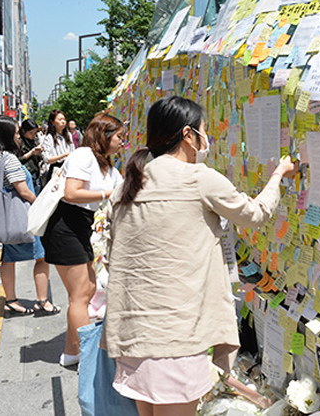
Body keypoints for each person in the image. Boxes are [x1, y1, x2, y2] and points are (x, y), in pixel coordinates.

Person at [104, 96, 299, 416]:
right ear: (188, 135)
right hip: (177, 332)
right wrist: (279, 174)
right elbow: (255, 213)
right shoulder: (199, 178)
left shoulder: (130, 183)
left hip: (134, 330)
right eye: (204, 131)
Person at [42, 113, 124, 367]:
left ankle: (72, 352)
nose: (123, 141)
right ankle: (87, 359)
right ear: (104, 135)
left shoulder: (108, 166)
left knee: (86, 291)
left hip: (83, 228)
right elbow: (71, 192)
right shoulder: (83, 155)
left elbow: (125, 189)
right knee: (81, 295)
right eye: (119, 136)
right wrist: (108, 192)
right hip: (65, 226)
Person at [0, 117, 60, 316]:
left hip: (6, 218)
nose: (18, 136)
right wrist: (42, 205)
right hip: (21, 216)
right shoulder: (8, 158)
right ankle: (42, 301)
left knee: (8, 259)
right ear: (6, 135)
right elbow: (24, 191)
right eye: (16, 133)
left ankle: (11, 300)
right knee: (42, 256)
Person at [42, 109, 74, 181]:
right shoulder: (49, 138)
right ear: (52, 122)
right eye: (60, 119)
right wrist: (64, 155)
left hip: (68, 169)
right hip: (55, 170)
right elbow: (47, 159)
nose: (63, 121)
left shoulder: (68, 136)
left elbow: (73, 151)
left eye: (64, 119)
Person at [18, 119, 44, 195]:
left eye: (35, 133)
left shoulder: (35, 140)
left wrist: (39, 153)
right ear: (23, 131)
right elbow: (18, 160)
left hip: (36, 173)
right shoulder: (19, 141)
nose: (33, 135)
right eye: (31, 133)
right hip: (25, 175)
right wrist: (31, 152)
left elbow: (39, 159)